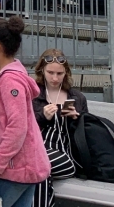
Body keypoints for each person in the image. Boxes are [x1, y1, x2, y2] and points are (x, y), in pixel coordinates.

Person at [0, 16, 50, 207]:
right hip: (22, 165)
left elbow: (17, 126)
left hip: (15, 167)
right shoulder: (5, 74)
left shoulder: (10, 81)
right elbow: (4, 113)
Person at [31, 49, 87, 207]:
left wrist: (77, 118)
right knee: (40, 170)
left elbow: (87, 133)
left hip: (66, 156)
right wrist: (42, 115)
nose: (55, 78)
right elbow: (24, 126)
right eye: (50, 73)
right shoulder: (34, 94)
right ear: (42, 70)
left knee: (39, 165)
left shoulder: (76, 97)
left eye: (59, 74)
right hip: (36, 150)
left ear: (66, 73)